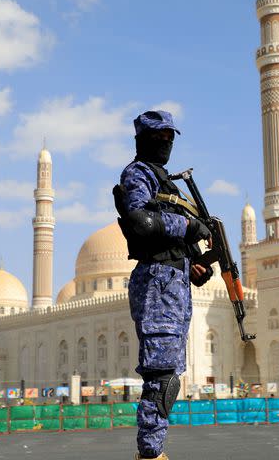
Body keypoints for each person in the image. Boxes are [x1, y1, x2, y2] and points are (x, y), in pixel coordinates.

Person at [114, 110, 213, 460]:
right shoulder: (137, 174)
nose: (166, 144)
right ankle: (151, 455)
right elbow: (140, 220)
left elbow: (167, 233)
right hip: (157, 284)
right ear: (142, 139)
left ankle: (154, 451)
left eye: (171, 138)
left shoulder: (166, 182)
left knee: (169, 374)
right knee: (160, 378)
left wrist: (195, 264)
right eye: (160, 138)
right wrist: (187, 228)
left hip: (173, 283)